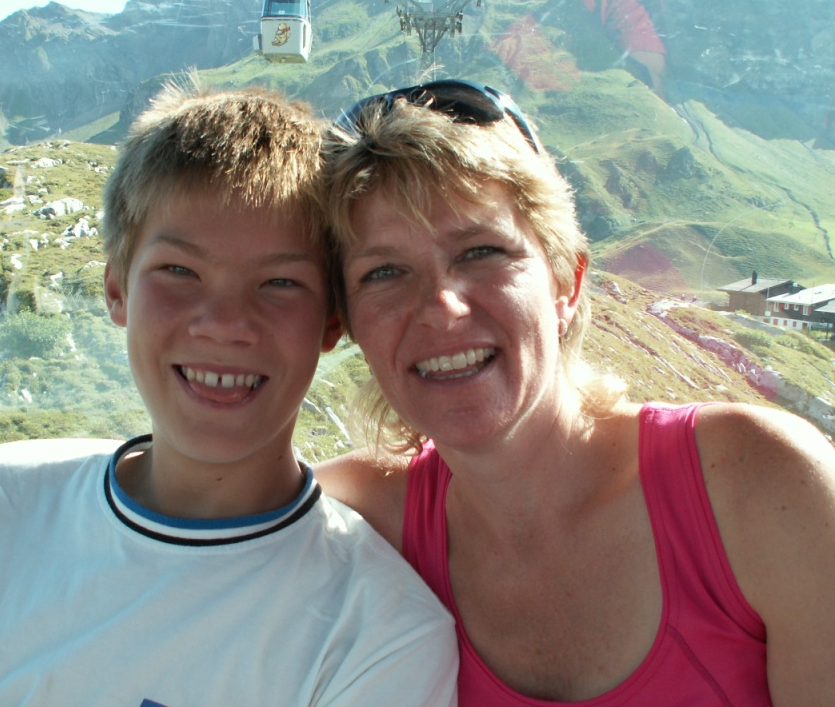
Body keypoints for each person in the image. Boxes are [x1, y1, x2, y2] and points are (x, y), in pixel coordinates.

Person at [0, 83, 458, 707]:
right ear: (117, 290)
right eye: (179, 271)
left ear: (332, 322)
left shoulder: (379, 636)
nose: (224, 324)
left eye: (279, 282)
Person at [311, 78, 835, 705]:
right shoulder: (360, 518)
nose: (441, 309)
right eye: (384, 272)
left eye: (480, 251)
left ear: (567, 282)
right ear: (346, 323)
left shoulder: (759, 484)